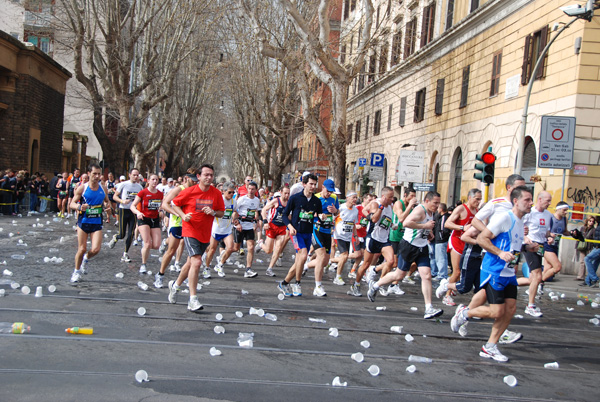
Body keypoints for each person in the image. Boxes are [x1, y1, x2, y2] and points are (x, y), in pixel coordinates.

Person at [451, 186, 535, 362]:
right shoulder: (504, 218)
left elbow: (512, 245)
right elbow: (482, 239)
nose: (531, 203)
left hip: (509, 272)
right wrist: (500, 253)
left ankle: (490, 347)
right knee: (497, 312)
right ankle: (464, 314)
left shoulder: (521, 222)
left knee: (509, 311)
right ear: (516, 201)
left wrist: (527, 247)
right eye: (527, 200)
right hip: (494, 270)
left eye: (531, 199)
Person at [367, 191, 444, 320]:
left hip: (422, 246)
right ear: (427, 201)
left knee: (427, 275)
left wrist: (428, 232)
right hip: (409, 246)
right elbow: (406, 222)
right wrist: (425, 226)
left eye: (438, 203)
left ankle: (429, 308)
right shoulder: (420, 210)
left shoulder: (432, 213)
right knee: (399, 274)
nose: (436, 206)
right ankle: (375, 286)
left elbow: (425, 225)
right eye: (434, 203)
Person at [169, 164, 225, 311]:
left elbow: (221, 212)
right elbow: (175, 204)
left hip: (205, 233)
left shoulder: (216, 193)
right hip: (190, 230)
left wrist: (213, 212)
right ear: (198, 176)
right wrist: (183, 216)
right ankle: (193, 299)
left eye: (211, 175)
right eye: (206, 174)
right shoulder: (189, 191)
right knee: (197, 262)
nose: (209, 177)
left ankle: (175, 286)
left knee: (189, 263)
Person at [278, 173, 321, 297]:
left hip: (308, 233)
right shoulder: (295, 198)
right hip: (296, 232)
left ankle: (284, 283)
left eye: (314, 184)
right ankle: (297, 283)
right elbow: (285, 215)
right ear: (304, 184)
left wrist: (322, 216)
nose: (313, 186)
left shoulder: (316, 201)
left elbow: (319, 215)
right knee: (302, 257)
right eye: (310, 184)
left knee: (299, 262)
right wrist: (290, 227)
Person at [348, 187, 395, 297]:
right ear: (383, 197)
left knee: (391, 261)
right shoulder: (376, 204)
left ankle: (380, 282)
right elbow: (374, 219)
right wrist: (381, 207)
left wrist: (392, 225)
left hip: (384, 239)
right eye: (390, 197)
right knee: (365, 264)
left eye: (393, 197)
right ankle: (356, 285)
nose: (392, 199)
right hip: (373, 238)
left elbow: (386, 220)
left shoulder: (391, 206)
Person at [69, 163, 111, 283]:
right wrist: (78, 206)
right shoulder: (83, 188)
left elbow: (107, 201)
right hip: (83, 221)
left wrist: (107, 207)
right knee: (81, 249)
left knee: (96, 249)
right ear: (89, 174)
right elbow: (72, 203)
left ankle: (86, 259)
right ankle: (76, 272)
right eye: (94, 174)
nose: (97, 176)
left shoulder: (103, 188)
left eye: (99, 174)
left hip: (97, 222)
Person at [156, 171, 197, 289]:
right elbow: (165, 204)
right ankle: (160, 274)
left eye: (196, 179)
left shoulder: (197, 190)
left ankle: (184, 277)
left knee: (192, 254)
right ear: (186, 178)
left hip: (190, 224)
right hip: (177, 223)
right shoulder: (179, 189)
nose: (194, 182)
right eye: (192, 179)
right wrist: (177, 214)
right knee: (171, 250)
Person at [443, 189, 482, 306]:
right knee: (457, 271)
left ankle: (454, 287)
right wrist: (462, 228)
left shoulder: (478, 211)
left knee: (469, 273)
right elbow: (447, 223)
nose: (479, 202)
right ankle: (447, 295)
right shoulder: (461, 208)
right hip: (457, 241)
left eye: (480, 199)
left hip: (469, 244)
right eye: (477, 199)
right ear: (470, 198)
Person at [304, 179, 339, 297]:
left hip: (327, 230)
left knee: (325, 261)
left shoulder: (334, 198)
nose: (329, 193)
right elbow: (308, 212)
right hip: (316, 229)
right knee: (321, 256)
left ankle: (307, 265)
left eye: (331, 191)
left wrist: (335, 211)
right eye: (328, 190)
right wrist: (318, 214)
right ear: (323, 187)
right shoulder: (316, 197)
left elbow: (337, 212)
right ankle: (318, 286)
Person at [521, 191, 553, 317]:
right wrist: (525, 238)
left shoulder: (548, 215)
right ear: (539, 199)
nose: (549, 203)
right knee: (538, 276)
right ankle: (530, 305)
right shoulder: (530, 213)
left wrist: (550, 237)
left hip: (540, 246)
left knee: (533, 279)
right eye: (547, 201)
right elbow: (520, 227)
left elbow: (546, 232)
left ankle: (509, 282)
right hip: (530, 246)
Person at [108, 168, 144, 263]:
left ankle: (125, 253)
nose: (136, 177)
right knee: (122, 234)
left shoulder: (139, 187)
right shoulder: (124, 184)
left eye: (137, 175)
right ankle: (116, 237)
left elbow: (142, 199)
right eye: (134, 175)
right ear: (129, 175)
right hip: (123, 209)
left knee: (131, 233)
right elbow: (115, 196)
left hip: (133, 211)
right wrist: (122, 201)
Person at [130, 174, 164, 274]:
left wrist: (162, 212)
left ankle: (145, 248)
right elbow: (132, 206)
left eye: (156, 180)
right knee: (148, 243)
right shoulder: (143, 192)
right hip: (143, 219)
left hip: (155, 219)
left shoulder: (160, 194)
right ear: (148, 181)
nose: (154, 181)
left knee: (157, 245)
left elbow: (162, 206)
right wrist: (138, 212)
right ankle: (143, 264)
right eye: (153, 179)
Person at [205, 181, 237, 278]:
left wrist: (234, 219)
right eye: (229, 192)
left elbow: (235, 211)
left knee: (231, 248)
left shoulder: (233, 201)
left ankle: (220, 264)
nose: (231, 194)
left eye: (233, 192)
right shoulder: (219, 200)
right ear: (223, 191)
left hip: (227, 229)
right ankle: (206, 268)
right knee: (212, 250)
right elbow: (210, 211)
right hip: (216, 228)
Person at [259, 186, 291, 277]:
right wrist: (265, 221)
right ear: (280, 192)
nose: (287, 195)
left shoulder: (289, 203)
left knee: (278, 248)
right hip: (272, 226)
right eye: (285, 193)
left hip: (282, 227)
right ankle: (261, 244)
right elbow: (264, 210)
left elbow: (289, 216)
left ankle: (270, 268)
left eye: (288, 193)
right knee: (269, 250)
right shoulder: (276, 201)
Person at [231, 181, 261, 278]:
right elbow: (234, 212)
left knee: (251, 247)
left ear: (256, 190)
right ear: (247, 189)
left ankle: (248, 269)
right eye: (249, 189)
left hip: (249, 226)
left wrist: (256, 221)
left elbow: (255, 211)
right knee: (235, 248)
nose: (251, 191)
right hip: (240, 225)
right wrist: (237, 223)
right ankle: (221, 260)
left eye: (253, 189)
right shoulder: (242, 199)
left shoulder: (257, 200)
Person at [542, 201, 576, 284]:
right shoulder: (551, 218)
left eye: (567, 210)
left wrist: (572, 233)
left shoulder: (565, 219)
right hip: (547, 245)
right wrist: (550, 235)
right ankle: (539, 281)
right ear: (558, 209)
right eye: (564, 210)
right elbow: (544, 232)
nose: (566, 212)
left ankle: (535, 286)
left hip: (555, 245)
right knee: (557, 267)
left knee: (547, 268)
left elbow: (565, 231)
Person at [331, 191, 359, 285]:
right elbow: (332, 220)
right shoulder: (341, 208)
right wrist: (332, 233)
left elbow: (354, 224)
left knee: (345, 257)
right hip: (339, 235)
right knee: (344, 255)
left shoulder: (355, 210)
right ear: (347, 198)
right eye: (353, 197)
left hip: (348, 237)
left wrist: (356, 236)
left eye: (356, 197)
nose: (355, 199)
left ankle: (330, 261)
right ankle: (338, 277)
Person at [433, 203, 451, 280]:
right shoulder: (444, 216)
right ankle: (442, 274)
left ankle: (442, 275)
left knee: (441, 258)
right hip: (441, 240)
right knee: (441, 257)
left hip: (441, 240)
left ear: (441, 209)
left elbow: (443, 229)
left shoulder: (444, 217)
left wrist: (441, 237)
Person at [576, 216, 596, 281]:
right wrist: (576, 246)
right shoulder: (582, 228)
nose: (591, 223)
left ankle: (588, 276)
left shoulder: (593, 230)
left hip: (589, 247)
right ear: (587, 221)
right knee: (582, 261)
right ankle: (580, 276)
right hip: (582, 246)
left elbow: (594, 238)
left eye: (593, 221)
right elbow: (579, 237)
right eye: (590, 221)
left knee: (588, 262)